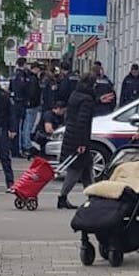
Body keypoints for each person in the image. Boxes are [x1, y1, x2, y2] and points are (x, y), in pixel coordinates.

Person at [56, 73, 98, 209]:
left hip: (71, 134)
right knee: (76, 169)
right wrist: (81, 143)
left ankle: (92, 197)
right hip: (79, 139)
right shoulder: (87, 100)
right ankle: (62, 196)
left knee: (87, 167)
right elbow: (83, 122)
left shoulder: (75, 94)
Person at [8, 58, 35, 157]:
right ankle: (17, 150)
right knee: (19, 127)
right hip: (20, 103)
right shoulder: (22, 75)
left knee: (15, 126)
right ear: (24, 64)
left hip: (15, 102)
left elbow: (11, 88)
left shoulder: (14, 75)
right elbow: (24, 88)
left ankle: (15, 149)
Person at [21, 63, 44, 156]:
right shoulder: (34, 79)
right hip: (33, 105)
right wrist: (33, 102)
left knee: (27, 125)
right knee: (29, 126)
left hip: (29, 104)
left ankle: (26, 143)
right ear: (36, 69)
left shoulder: (28, 77)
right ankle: (27, 144)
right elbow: (33, 92)